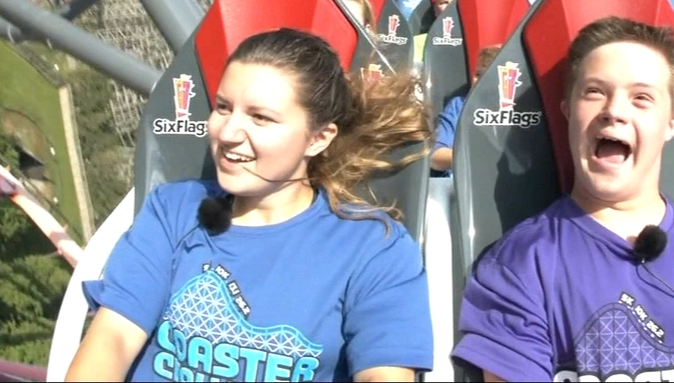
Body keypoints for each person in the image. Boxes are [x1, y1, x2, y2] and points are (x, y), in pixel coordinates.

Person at [66, 29, 434, 382]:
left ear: (318, 139)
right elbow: (114, 337)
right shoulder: (174, 211)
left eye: (260, 118)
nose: (227, 133)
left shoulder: (373, 249)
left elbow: (382, 373)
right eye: (223, 107)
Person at [451, 17, 674, 382]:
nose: (614, 111)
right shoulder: (521, 261)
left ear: (671, 124)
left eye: (641, 98)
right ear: (567, 111)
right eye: (594, 92)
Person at [430, 45, 501, 176]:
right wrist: (481, 157)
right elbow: (436, 157)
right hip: (464, 181)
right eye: (477, 74)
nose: (477, 80)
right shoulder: (459, 105)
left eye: (487, 76)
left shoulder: (523, 109)